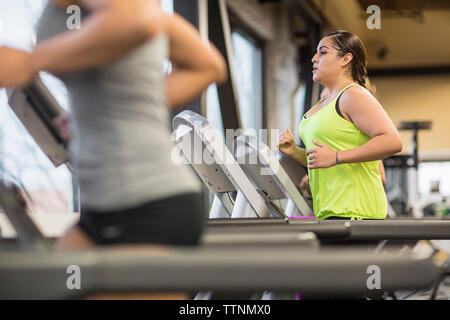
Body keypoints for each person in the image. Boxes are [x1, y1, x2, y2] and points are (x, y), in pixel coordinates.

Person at [0, 0, 227, 249]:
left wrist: (30, 62)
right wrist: (116, 105)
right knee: (47, 283)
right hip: (100, 208)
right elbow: (208, 65)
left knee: (66, 283)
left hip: (149, 205)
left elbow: (141, 20)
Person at [279, 30, 402, 220]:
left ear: (346, 59)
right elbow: (323, 159)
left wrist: (336, 156)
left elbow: (392, 141)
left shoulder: (353, 95)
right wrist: (294, 151)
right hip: (330, 212)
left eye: (323, 52)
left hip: (355, 213)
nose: (314, 58)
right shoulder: (324, 102)